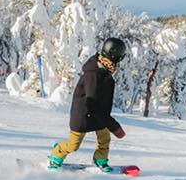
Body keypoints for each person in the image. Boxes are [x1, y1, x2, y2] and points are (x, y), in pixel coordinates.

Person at [50, 37, 128, 172]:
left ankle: (100, 158)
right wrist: (113, 126)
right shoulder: (94, 74)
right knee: (73, 145)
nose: (120, 60)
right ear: (115, 55)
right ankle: (58, 152)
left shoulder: (104, 71)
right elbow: (92, 103)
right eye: (120, 56)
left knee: (104, 138)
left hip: (98, 115)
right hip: (83, 115)